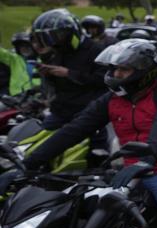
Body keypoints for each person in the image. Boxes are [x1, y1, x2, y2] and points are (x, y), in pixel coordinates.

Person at [22, 39, 157, 228]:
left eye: (123, 69)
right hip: (128, 171)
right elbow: (75, 129)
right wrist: (28, 163)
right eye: (114, 68)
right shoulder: (112, 99)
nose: (116, 74)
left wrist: (147, 160)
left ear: (145, 71)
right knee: (92, 225)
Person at [29, 9, 108, 149]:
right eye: (51, 37)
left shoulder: (96, 50)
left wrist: (69, 73)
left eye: (58, 35)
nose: (55, 40)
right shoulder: (59, 51)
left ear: (71, 31)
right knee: (37, 142)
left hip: (88, 112)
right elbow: (60, 84)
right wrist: (49, 73)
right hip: (61, 109)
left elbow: (104, 80)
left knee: (96, 152)